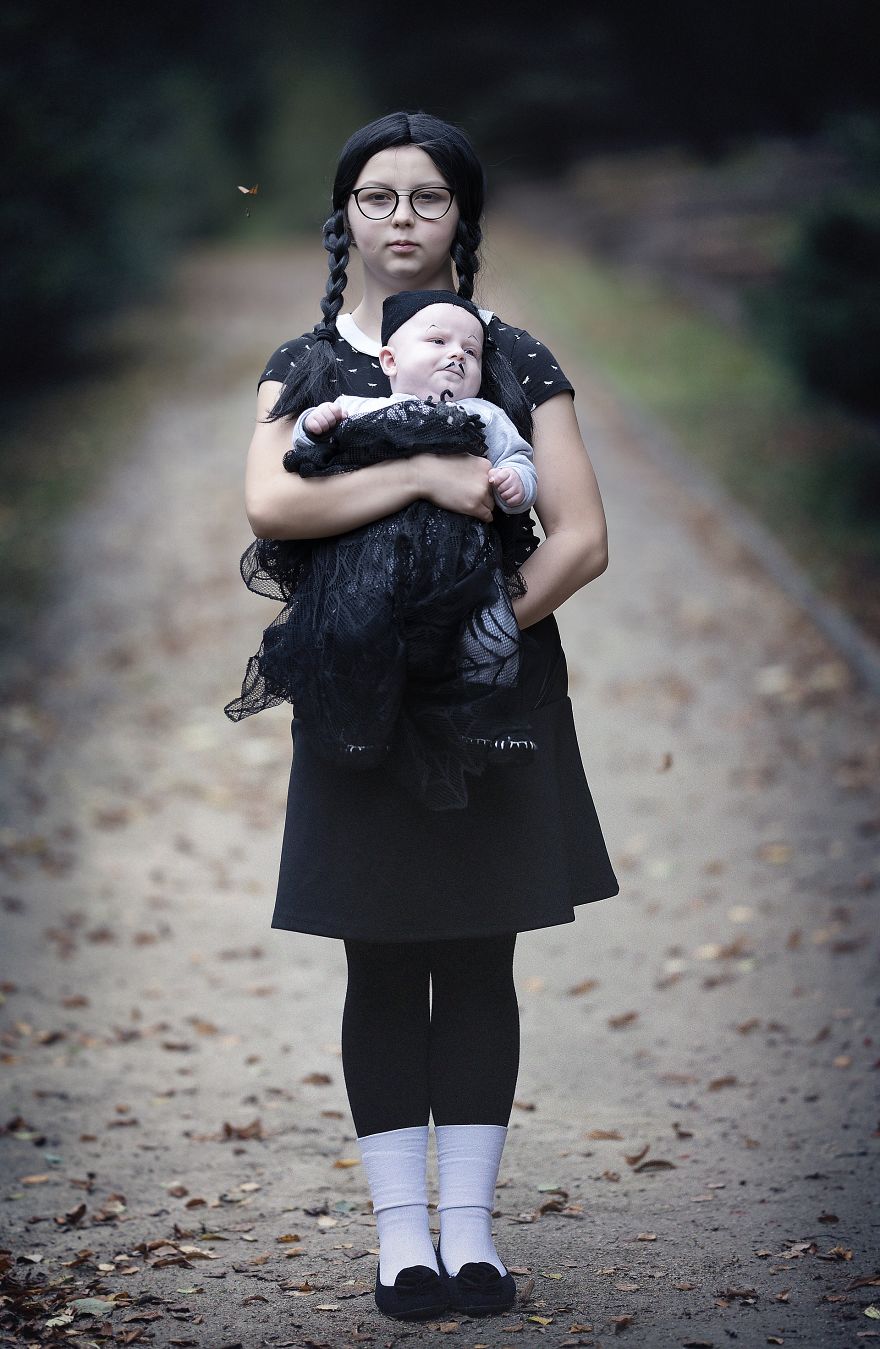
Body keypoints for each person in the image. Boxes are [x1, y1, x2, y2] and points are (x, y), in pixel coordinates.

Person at [239, 110, 619, 1322]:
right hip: (358, 703)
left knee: (479, 952)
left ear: (464, 218)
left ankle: (473, 1231)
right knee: (381, 956)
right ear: (343, 215)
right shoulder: (307, 365)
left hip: (491, 696)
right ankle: (401, 1236)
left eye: (427, 199)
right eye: (377, 197)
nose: (401, 220)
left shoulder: (517, 360)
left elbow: (584, 535)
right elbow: (268, 507)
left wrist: (481, 627)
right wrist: (416, 474)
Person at [226, 289, 541, 810]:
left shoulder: (486, 417)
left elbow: (523, 462)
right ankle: (355, 729)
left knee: (492, 637)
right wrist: (314, 424)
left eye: (471, 350)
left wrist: (514, 482)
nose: (456, 354)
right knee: (353, 639)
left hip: (464, 574)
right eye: (437, 341)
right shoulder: (362, 407)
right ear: (390, 360)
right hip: (373, 571)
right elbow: (303, 454)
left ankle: (489, 722)